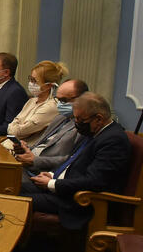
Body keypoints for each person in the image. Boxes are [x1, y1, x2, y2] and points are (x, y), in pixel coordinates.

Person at [23, 93, 130, 230]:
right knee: (13, 185)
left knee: (19, 198)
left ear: (99, 119)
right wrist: (52, 174)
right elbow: (72, 161)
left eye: (80, 119)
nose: (77, 124)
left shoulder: (113, 140)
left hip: (78, 201)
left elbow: (95, 181)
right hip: (67, 189)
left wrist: (52, 183)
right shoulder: (95, 132)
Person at [14, 79, 89, 176]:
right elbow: (42, 144)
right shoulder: (60, 117)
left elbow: (71, 160)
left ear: (82, 99)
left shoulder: (84, 126)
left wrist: (35, 160)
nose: (59, 104)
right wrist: (25, 149)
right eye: (58, 99)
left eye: (64, 100)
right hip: (27, 166)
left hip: (45, 175)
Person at [6, 60, 67, 145]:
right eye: (30, 79)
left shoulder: (51, 107)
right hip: (9, 145)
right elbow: (12, 125)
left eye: (34, 80)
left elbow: (18, 131)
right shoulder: (32, 101)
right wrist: (16, 127)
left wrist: (16, 127)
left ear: (49, 85)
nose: (31, 83)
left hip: (23, 151)